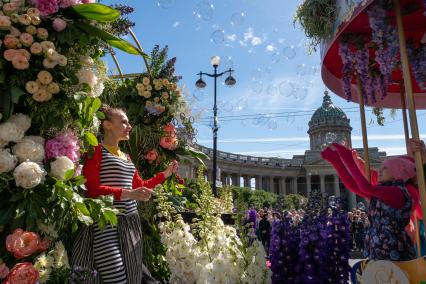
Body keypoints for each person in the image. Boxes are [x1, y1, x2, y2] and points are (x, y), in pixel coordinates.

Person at [72, 105, 178, 283]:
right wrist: (129, 194)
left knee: (130, 276)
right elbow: (92, 189)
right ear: (107, 125)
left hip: (130, 224)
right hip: (105, 224)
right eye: (123, 122)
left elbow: (140, 186)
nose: (129, 126)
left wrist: (165, 174)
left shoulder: (126, 157)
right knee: (116, 278)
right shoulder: (96, 151)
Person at [322, 143, 417, 261]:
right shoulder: (384, 192)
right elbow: (353, 186)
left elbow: (365, 187)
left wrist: (347, 157)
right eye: (380, 168)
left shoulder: (397, 192)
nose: (380, 171)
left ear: (397, 172)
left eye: (385, 168)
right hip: (378, 251)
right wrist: (336, 161)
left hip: (394, 251)